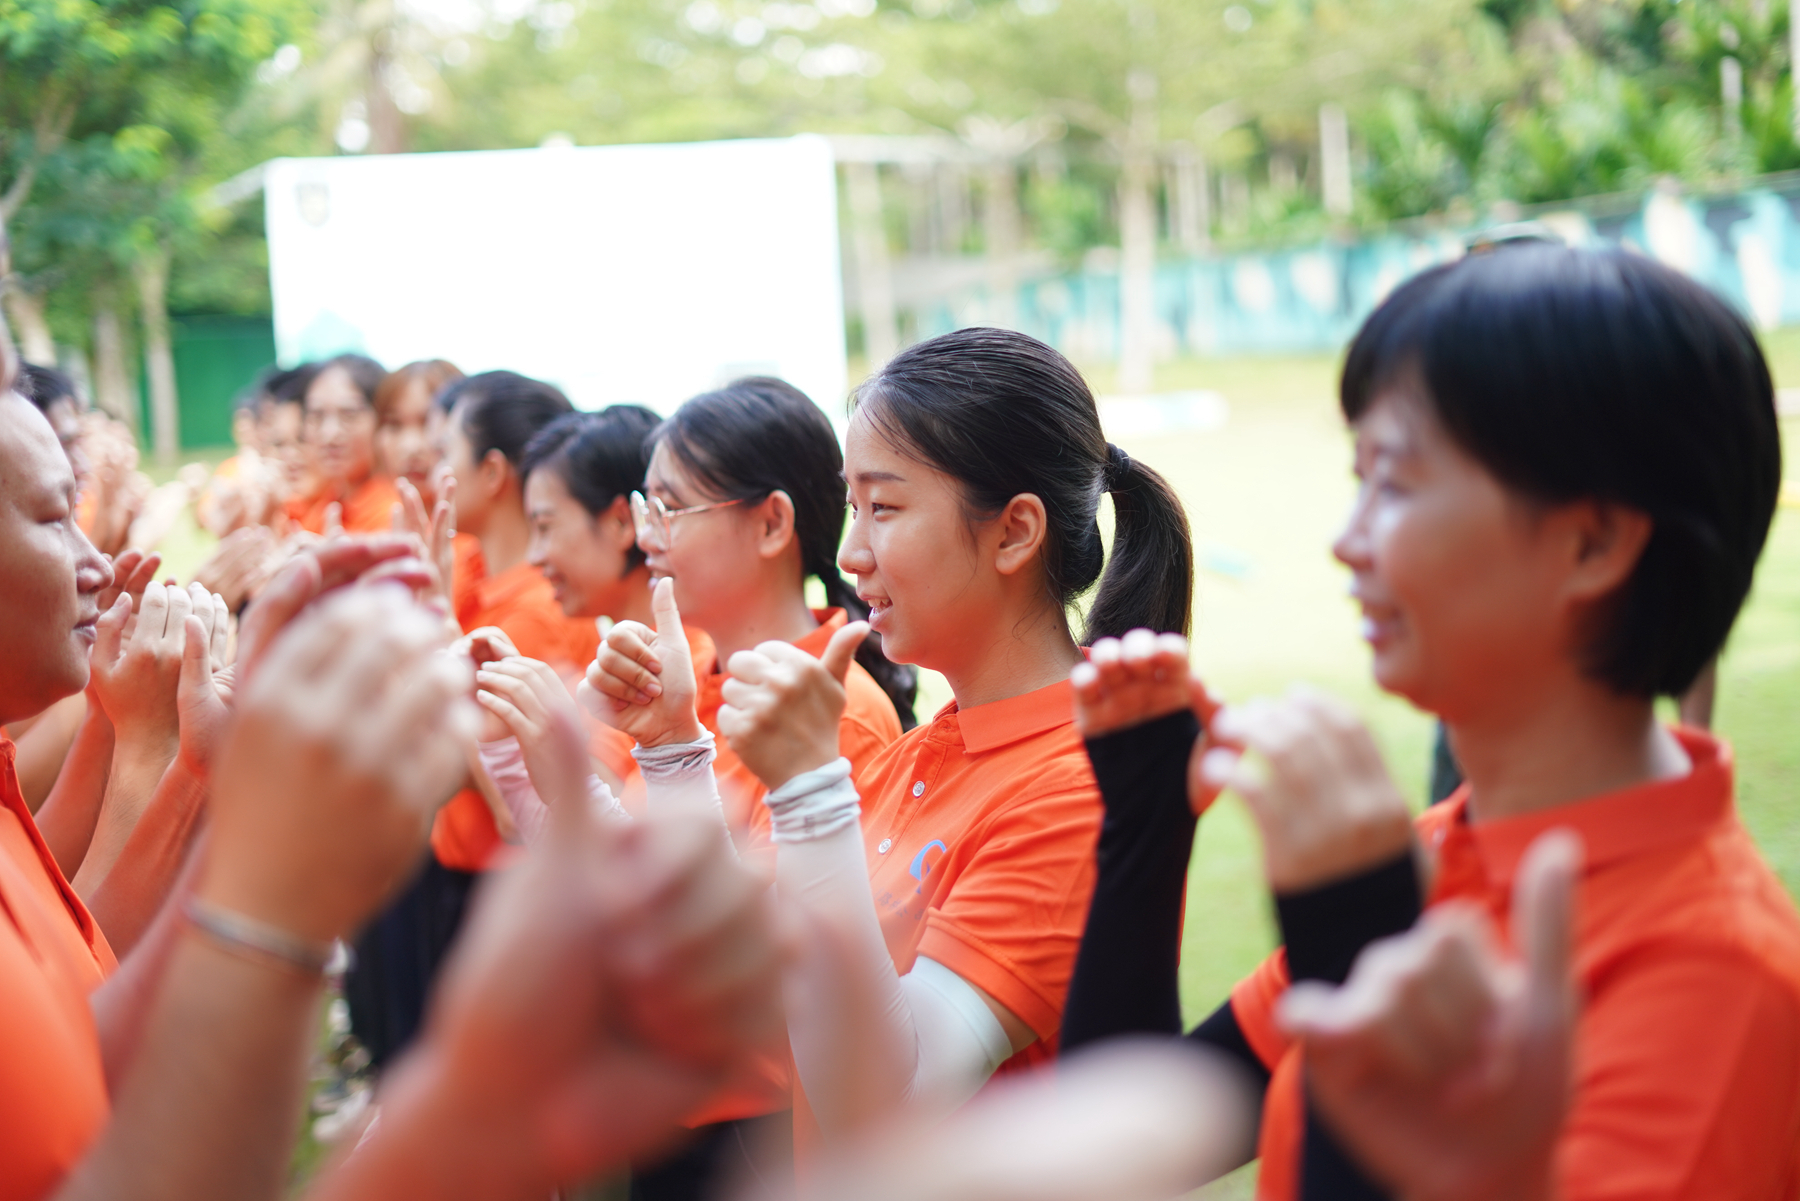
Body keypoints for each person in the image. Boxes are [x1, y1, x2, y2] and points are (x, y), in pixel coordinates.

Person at [1057, 244, 1800, 1201]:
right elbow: (1112, 1153)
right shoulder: (1442, 853)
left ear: (1593, 542)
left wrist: (1357, 951)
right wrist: (1146, 831)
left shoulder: (1713, 985)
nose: (1346, 538)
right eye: (1357, 477)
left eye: (1395, 483)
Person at [596, 334, 1194, 1164]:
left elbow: (881, 1110)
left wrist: (810, 795)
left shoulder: (1078, 785)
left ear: (1015, 532)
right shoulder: (923, 752)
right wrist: (670, 754)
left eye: (884, 507)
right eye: (852, 506)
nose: (849, 553)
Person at [516, 405, 663, 786]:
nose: (534, 556)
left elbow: (603, 813)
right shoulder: (630, 653)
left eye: (545, 527)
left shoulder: (668, 662)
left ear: (621, 521)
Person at [285, 354, 398, 536]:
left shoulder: (392, 514)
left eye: (349, 415)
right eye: (316, 415)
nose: (330, 434)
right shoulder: (328, 504)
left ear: (381, 420)